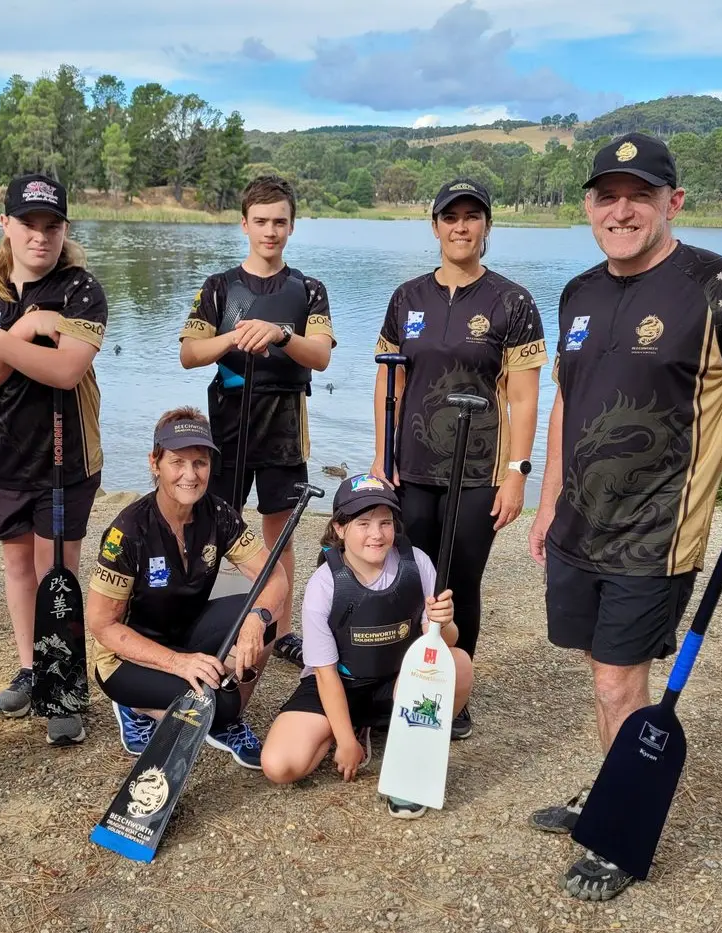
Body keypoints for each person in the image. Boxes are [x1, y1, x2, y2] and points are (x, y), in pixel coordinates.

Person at [526, 132, 722, 901]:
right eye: (606, 196)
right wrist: (547, 502)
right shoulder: (578, 291)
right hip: (578, 526)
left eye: (639, 195)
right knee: (603, 672)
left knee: (620, 682)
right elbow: (566, 402)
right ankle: (609, 783)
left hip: (656, 534)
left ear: (672, 202)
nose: (621, 210)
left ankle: (617, 832)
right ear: (588, 206)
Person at [371, 178, 545, 739]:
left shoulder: (512, 301)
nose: (461, 227)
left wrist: (517, 474)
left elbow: (523, 396)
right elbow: (388, 381)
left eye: (473, 217)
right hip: (413, 465)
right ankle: (406, 680)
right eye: (451, 217)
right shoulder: (407, 297)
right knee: (411, 577)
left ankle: (455, 688)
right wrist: (382, 456)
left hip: (480, 470)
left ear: (487, 226)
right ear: (435, 226)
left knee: (459, 581)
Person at [0, 173, 108, 748]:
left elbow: (65, 370)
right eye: (28, 225)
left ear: (65, 229)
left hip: (66, 459)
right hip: (1, 458)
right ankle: (31, 668)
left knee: (56, 573)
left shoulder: (82, 290)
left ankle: (63, 684)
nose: (40, 236)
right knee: (18, 568)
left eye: (52, 226)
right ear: (6, 226)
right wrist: (18, 332)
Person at [178, 174, 335, 670]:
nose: (270, 231)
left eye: (280, 222)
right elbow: (188, 353)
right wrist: (233, 338)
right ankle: (198, 619)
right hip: (227, 422)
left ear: (292, 226)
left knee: (278, 529)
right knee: (211, 524)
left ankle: (281, 629)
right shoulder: (219, 287)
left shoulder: (308, 290)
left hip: (283, 422)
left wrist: (282, 334)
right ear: (244, 224)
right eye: (261, 221)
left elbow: (322, 357)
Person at [85, 408, 291, 769]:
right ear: (155, 463)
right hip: (126, 658)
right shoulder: (127, 532)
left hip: (184, 633)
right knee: (219, 706)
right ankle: (135, 706)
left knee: (262, 615)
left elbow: (275, 577)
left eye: (200, 463)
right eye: (177, 462)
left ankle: (226, 720)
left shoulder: (219, 514)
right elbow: (103, 625)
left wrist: (257, 620)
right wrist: (177, 663)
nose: (190, 475)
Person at [260, 474, 473, 819]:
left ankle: (408, 737)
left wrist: (443, 621)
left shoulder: (416, 562)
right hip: (340, 683)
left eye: (385, 523)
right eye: (363, 523)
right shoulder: (324, 583)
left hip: (395, 680)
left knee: (459, 663)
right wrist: (345, 741)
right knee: (279, 766)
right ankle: (349, 728)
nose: (377, 534)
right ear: (340, 528)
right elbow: (325, 673)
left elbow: (443, 644)